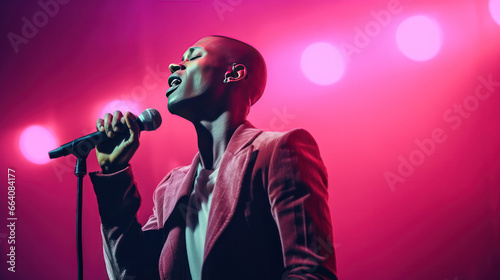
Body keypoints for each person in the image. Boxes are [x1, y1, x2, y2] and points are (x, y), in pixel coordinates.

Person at [89, 35, 338, 280]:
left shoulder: (279, 150)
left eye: (193, 56)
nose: (174, 65)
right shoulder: (169, 188)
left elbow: (310, 272)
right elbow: (133, 274)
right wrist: (114, 175)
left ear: (233, 73)